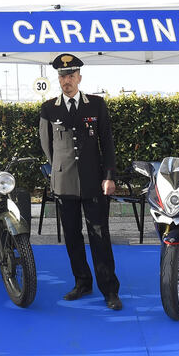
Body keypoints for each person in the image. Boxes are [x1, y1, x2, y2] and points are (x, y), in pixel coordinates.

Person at [38, 53, 122, 310]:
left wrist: (109, 176)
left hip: (93, 181)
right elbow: (47, 145)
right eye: (63, 76)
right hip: (64, 183)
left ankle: (109, 290)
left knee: (99, 235)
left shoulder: (96, 104)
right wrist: (59, 169)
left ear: (79, 77)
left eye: (71, 75)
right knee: (72, 237)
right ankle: (82, 282)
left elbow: (106, 142)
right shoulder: (49, 108)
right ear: (59, 79)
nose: (67, 80)